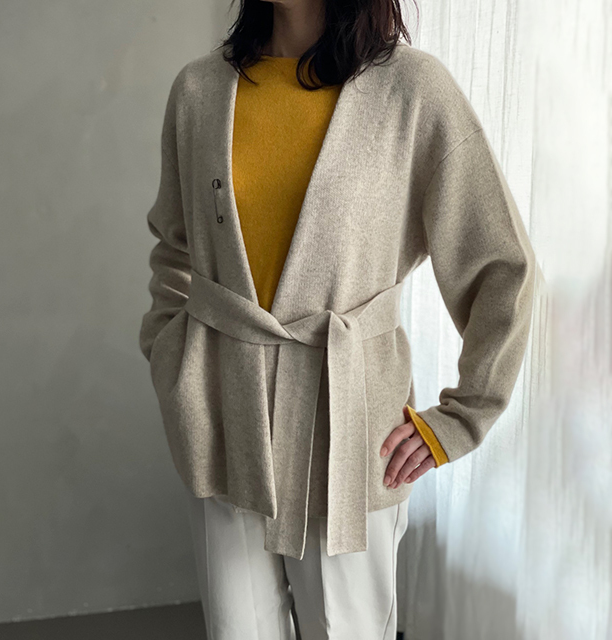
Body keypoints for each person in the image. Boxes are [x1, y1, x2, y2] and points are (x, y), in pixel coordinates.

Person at [138, 1, 537, 638]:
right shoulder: (199, 90)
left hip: (349, 431)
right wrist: (172, 362)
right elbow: (176, 249)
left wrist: (464, 415)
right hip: (221, 417)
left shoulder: (412, 89)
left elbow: (502, 265)